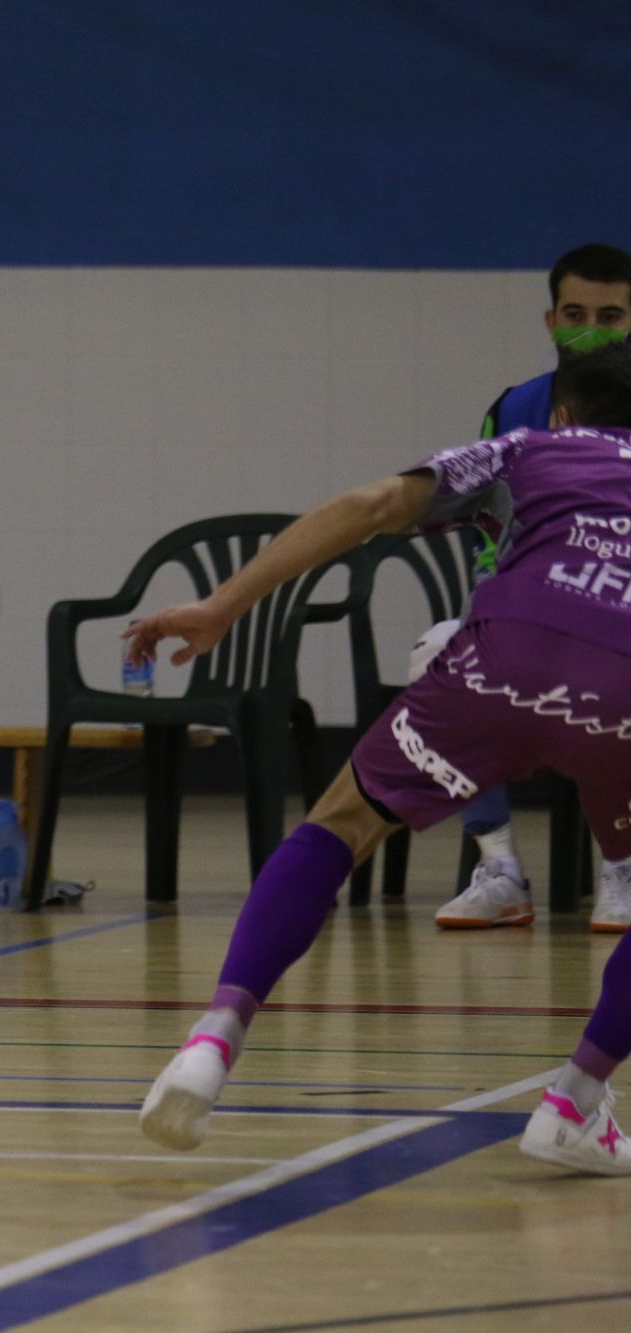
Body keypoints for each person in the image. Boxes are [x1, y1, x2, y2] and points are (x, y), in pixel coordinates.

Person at [128, 341, 631, 1175]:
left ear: (565, 413)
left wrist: (222, 605)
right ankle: (576, 1099)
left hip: (505, 658)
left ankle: (213, 1041)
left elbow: (370, 503)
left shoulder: (529, 447)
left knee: (341, 822)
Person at [432, 243, 631, 932]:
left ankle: (622, 868)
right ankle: (498, 867)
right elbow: (489, 526)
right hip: (533, 611)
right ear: (550, 319)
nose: (591, 329)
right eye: (575, 313)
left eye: (611, 315)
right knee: (443, 651)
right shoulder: (515, 407)